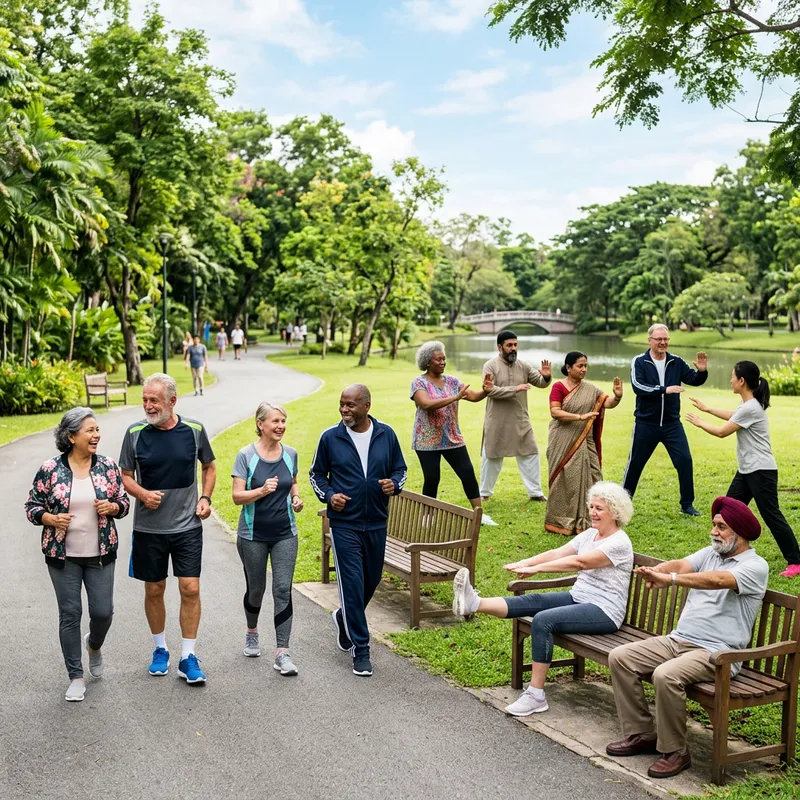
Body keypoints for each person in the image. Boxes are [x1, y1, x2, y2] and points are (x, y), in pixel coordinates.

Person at [606, 496, 768, 778]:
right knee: (620, 657)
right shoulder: (710, 554)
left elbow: (716, 581)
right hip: (679, 640)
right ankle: (641, 734)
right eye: (714, 525)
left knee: (665, 675)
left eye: (722, 527)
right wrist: (657, 570)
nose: (714, 531)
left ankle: (676, 752)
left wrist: (670, 581)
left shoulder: (755, 566)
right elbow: (681, 565)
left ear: (740, 534)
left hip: (717, 653)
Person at [452, 481, 634, 716]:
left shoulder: (619, 543)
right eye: (591, 507)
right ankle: (473, 603)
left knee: (543, 620)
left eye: (599, 508)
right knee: (532, 601)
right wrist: (527, 562)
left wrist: (538, 570)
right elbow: (559, 553)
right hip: (580, 597)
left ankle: (536, 696)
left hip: (605, 611)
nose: (593, 513)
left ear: (615, 512)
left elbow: (579, 562)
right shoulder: (590, 534)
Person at [24, 408, 130, 702]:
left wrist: (113, 508)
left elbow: (123, 503)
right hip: (62, 556)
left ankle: (93, 646)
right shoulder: (50, 469)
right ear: (72, 437)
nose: (96, 435)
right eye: (90, 430)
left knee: (102, 612)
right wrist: (50, 518)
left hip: (101, 553)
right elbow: (32, 507)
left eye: (97, 430)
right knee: (70, 615)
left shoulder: (107, 467)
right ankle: (75, 676)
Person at [119, 373, 216, 684]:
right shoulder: (134, 433)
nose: (148, 405)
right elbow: (125, 475)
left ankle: (188, 656)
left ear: (172, 402)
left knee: (190, 588)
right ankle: (160, 649)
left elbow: (209, 466)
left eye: (154, 400)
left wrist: (205, 497)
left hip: (187, 525)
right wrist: (142, 494)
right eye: (145, 399)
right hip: (149, 529)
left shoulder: (195, 429)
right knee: (154, 589)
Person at [309, 384, 407, 677]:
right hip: (345, 524)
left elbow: (399, 469)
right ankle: (361, 650)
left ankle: (344, 617)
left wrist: (395, 484)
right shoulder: (331, 437)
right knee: (351, 584)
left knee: (371, 580)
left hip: (377, 520)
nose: (344, 410)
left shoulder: (385, 434)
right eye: (342, 404)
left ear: (366, 405)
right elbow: (317, 474)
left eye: (350, 405)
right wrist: (329, 496)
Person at [686, 360, 800, 578]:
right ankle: (724, 552)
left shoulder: (751, 407)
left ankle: (796, 561)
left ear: (741, 381)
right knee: (728, 513)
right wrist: (708, 408)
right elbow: (733, 415)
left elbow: (722, 432)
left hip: (761, 471)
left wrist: (700, 422)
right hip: (747, 470)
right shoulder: (747, 405)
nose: (730, 380)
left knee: (771, 514)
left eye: (732, 376)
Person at [232, 402, 304, 675]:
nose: (281, 426)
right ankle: (252, 631)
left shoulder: (291, 454)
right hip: (253, 535)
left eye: (283, 421)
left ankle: (282, 652)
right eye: (275, 421)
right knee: (257, 589)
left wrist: (295, 497)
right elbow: (237, 496)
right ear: (260, 424)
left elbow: (292, 481)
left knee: (283, 590)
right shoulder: (245, 455)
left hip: (286, 533)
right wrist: (261, 491)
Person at [622, 323, 708, 516]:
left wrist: (701, 372)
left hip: (671, 424)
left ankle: (687, 505)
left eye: (665, 339)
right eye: (659, 339)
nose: (662, 343)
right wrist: (663, 389)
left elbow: (693, 379)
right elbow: (638, 386)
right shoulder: (639, 361)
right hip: (646, 424)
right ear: (650, 340)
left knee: (685, 460)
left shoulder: (676, 361)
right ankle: (622, 504)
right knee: (635, 463)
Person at [411, 341, 497, 526]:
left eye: (444, 359)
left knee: (467, 473)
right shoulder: (419, 382)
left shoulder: (452, 381)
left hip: (452, 437)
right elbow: (425, 404)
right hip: (427, 439)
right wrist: (455, 398)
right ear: (427, 362)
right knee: (432, 478)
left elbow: (473, 396)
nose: (443, 362)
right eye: (438, 359)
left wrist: (485, 391)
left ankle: (479, 514)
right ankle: (427, 517)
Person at [545, 352, 623, 535]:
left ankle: (589, 521)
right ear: (569, 367)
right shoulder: (558, 387)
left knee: (594, 477)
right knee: (565, 480)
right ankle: (561, 521)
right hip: (562, 440)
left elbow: (608, 403)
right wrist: (580, 417)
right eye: (580, 366)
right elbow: (555, 412)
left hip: (585, 442)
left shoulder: (590, 389)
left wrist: (617, 396)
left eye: (585, 365)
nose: (584, 369)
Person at [480, 329, 551, 502]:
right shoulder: (490, 366)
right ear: (499, 347)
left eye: (515, 345)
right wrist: (515, 389)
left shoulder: (523, 365)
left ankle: (535, 492)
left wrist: (547, 376)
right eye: (509, 345)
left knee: (530, 453)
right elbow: (490, 390)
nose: (513, 348)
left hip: (520, 419)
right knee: (492, 456)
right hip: (497, 420)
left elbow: (540, 382)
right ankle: (484, 493)